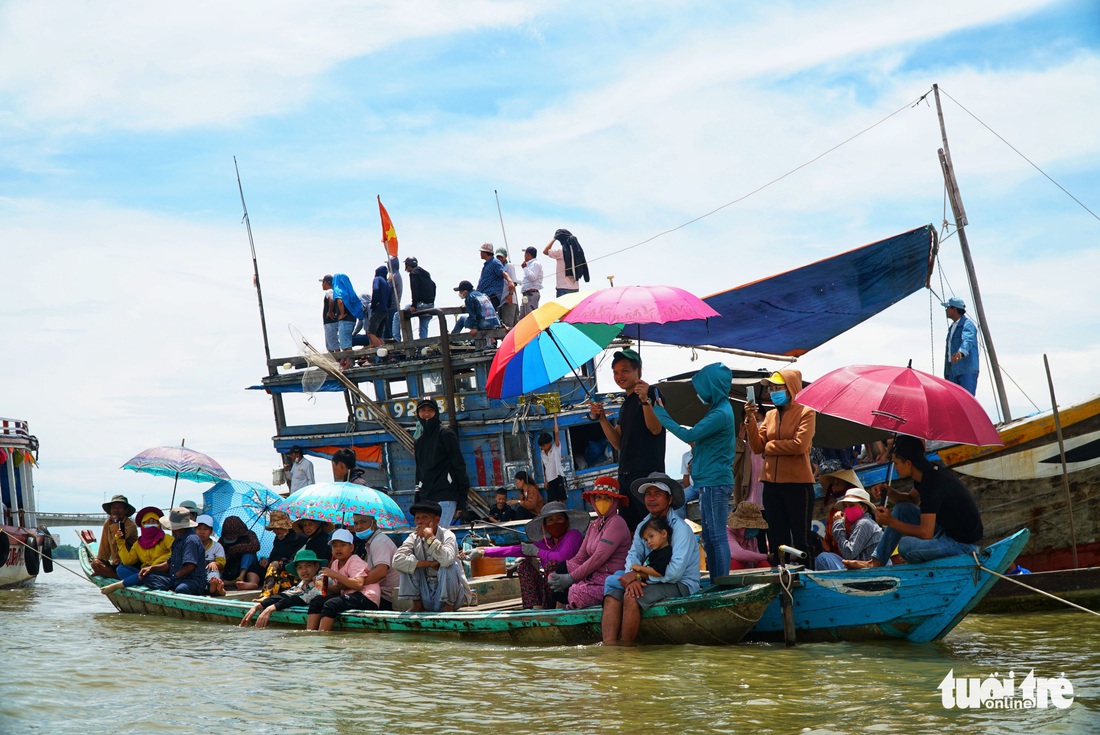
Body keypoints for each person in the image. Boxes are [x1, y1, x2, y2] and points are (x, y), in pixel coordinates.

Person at [653, 362, 736, 580]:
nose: (699, 392)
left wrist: (660, 413)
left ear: (712, 386)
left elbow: (688, 435)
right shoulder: (718, 410)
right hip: (709, 481)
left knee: (716, 536)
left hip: (714, 482)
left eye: (702, 387)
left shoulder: (720, 414)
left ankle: (722, 581)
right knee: (710, 536)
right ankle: (719, 580)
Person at [601, 473, 700, 646]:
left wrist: (638, 577)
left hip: (680, 585)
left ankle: (626, 651)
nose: (651, 498)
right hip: (650, 578)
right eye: (648, 494)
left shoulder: (681, 529)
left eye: (657, 494)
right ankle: (609, 651)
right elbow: (632, 556)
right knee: (612, 591)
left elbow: (674, 573)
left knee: (632, 596)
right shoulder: (643, 526)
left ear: (669, 500)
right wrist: (632, 577)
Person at [859, 435, 984, 568]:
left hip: (963, 545)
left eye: (896, 463)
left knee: (906, 546)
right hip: (947, 533)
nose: (895, 467)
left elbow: (926, 533)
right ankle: (877, 561)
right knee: (903, 509)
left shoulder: (933, 484)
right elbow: (911, 500)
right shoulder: (927, 473)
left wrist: (890, 522)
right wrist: (890, 492)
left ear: (908, 463)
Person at [744, 370, 817, 566]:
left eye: (778, 387)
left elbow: (799, 445)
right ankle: (780, 581)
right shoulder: (769, 416)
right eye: (772, 388)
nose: (774, 392)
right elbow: (758, 447)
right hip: (771, 486)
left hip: (798, 485)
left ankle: (808, 580)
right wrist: (750, 420)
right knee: (777, 540)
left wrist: (771, 447)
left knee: (802, 540)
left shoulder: (806, 413)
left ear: (791, 388)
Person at [590, 349, 666, 532]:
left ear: (638, 371)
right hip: (625, 475)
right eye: (615, 372)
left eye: (625, 371)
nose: (619, 376)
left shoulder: (653, 392)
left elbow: (656, 429)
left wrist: (645, 400)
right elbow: (618, 443)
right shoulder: (625, 403)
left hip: (646, 475)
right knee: (631, 530)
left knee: (652, 530)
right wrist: (601, 418)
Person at [466, 501, 587, 609]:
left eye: (559, 518)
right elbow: (514, 550)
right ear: (544, 526)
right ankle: (536, 609)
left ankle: (557, 609)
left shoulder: (573, 535)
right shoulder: (545, 543)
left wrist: (537, 552)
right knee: (524, 566)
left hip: (568, 591)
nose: (555, 522)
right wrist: (482, 552)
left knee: (553, 564)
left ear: (566, 522)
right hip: (548, 593)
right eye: (550, 520)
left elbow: (561, 557)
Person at [547, 476, 632, 609]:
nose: (601, 502)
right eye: (598, 497)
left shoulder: (616, 522)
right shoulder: (594, 525)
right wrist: (562, 574)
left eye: (607, 498)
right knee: (559, 570)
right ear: (593, 500)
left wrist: (571, 578)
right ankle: (556, 612)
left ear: (615, 501)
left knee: (577, 592)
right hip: (594, 574)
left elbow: (598, 557)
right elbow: (580, 557)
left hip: (609, 578)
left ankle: (562, 613)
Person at [392, 501, 469, 612]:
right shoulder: (413, 537)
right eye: (417, 518)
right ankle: (417, 605)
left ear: (436, 520)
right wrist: (429, 564)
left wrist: (430, 538)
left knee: (449, 566)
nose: (420, 522)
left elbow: (447, 560)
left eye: (424, 518)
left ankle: (448, 609)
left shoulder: (447, 535)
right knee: (407, 563)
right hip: (426, 594)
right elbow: (397, 561)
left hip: (451, 597)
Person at [306, 529, 379, 631]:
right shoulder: (335, 564)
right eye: (335, 546)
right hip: (350, 595)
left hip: (367, 597)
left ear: (351, 547)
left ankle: (321, 638)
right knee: (316, 601)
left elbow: (358, 584)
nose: (338, 548)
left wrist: (335, 575)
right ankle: (309, 635)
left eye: (343, 545)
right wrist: (323, 586)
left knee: (331, 604)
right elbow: (339, 589)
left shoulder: (355, 561)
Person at [413, 398, 470, 529]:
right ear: (418, 413)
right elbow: (419, 472)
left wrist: (462, 501)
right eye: (423, 410)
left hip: (446, 496)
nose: (426, 414)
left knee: (436, 536)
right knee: (427, 539)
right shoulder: (419, 441)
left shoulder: (446, 434)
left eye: (430, 410)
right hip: (426, 498)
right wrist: (417, 499)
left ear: (436, 413)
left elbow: (459, 467)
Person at [240, 548, 325, 629]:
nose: (304, 570)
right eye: (300, 567)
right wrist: (260, 605)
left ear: (316, 566)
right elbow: (287, 594)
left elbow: (304, 598)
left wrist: (272, 608)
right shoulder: (303, 583)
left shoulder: (322, 580)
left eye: (308, 566)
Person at [99, 506, 173, 594]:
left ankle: (119, 585)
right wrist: (120, 542)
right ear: (142, 525)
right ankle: (141, 581)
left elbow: (174, 554)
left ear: (159, 524)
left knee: (148, 575)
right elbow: (128, 561)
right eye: (147, 522)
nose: (151, 524)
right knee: (121, 569)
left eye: (154, 522)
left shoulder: (167, 539)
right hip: (143, 573)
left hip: (161, 573)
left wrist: (155, 564)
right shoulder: (138, 543)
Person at [138, 507, 209, 596]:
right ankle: (171, 588)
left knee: (181, 589)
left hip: (193, 581)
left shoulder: (191, 540)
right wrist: (151, 568)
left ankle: (172, 589)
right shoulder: (177, 539)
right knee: (148, 576)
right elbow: (169, 563)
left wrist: (174, 576)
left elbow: (190, 566)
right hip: (176, 579)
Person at [815, 487, 882, 571]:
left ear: (864, 508)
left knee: (823, 558)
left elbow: (849, 553)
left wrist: (838, 525)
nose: (847, 510)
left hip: (867, 570)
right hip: (862, 568)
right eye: (845, 506)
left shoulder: (864, 523)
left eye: (851, 505)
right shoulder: (860, 523)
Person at [350, 513, 401, 610]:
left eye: (363, 522)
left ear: (374, 523)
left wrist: (353, 584)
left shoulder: (379, 542)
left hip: (386, 598)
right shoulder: (373, 542)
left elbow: (380, 572)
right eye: (356, 523)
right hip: (379, 594)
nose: (359, 527)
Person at [256, 510, 306, 599]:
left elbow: (300, 559)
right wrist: (265, 561)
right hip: (281, 575)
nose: (275, 531)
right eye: (273, 529)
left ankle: (266, 594)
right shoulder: (277, 539)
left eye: (278, 528)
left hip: (297, 576)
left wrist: (284, 562)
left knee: (274, 565)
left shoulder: (299, 537)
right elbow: (274, 556)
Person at [92, 494, 138, 579]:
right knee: (95, 564)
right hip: (116, 564)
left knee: (121, 570)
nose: (116, 510)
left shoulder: (130, 525)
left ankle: (119, 576)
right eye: (114, 507)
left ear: (126, 510)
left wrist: (115, 522)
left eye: (120, 507)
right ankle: (116, 575)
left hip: (128, 564)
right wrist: (100, 563)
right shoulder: (108, 523)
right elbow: (104, 545)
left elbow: (116, 540)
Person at [942, 296, 980, 395]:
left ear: (954, 308)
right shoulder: (952, 327)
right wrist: (947, 372)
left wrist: (960, 353)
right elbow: (948, 352)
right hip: (953, 371)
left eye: (948, 307)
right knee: (953, 402)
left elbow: (968, 340)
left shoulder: (967, 324)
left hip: (966, 370)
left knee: (966, 401)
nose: (946, 310)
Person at [542, 229, 589, 297]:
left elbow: (545, 251)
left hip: (563, 288)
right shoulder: (578, 253)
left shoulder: (561, 252)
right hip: (575, 288)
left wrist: (554, 238)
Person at [219, 516, 261, 590]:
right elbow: (218, 551)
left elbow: (256, 546)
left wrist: (237, 548)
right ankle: (230, 582)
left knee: (248, 553)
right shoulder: (222, 540)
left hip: (247, 565)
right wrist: (229, 553)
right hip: (231, 566)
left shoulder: (249, 535)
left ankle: (241, 576)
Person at [726, 501, 770, 571]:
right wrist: (766, 556)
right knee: (735, 563)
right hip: (732, 568)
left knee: (763, 564)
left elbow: (755, 559)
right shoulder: (727, 534)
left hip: (749, 568)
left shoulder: (752, 539)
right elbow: (740, 554)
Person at [330, 273, 363, 358]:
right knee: (348, 342)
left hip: (344, 320)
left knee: (345, 344)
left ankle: (348, 363)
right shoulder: (350, 291)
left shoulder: (338, 289)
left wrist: (342, 314)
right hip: (352, 319)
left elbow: (340, 301)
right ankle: (347, 362)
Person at [193, 514, 227, 596]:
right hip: (196, 573)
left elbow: (222, 563)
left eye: (205, 529)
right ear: (195, 530)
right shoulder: (192, 545)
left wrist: (215, 563)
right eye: (199, 529)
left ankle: (214, 584)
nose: (202, 532)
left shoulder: (217, 546)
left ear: (211, 531)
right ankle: (217, 590)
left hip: (212, 573)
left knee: (213, 572)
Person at [404, 257, 436, 340]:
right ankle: (423, 349)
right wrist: (431, 301)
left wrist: (414, 305)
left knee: (398, 315)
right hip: (430, 304)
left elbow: (415, 290)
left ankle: (397, 340)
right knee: (423, 328)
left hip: (421, 304)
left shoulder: (413, 273)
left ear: (408, 265)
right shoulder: (425, 274)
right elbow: (434, 285)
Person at [631, 516, 674, 580]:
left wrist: (640, 568)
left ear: (664, 534)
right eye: (646, 540)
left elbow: (658, 572)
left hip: (644, 581)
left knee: (612, 580)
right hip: (638, 578)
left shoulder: (665, 553)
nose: (649, 541)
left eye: (651, 536)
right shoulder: (656, 552)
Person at [538, 414, 567, 503]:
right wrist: (546, 480)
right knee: (552, 502)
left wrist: (555, 418)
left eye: (544, 445)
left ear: (549, 443)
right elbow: (545, 467)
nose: (543, 447)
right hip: (550, 479)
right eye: (542, 446)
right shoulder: (542, 453)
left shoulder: (556, 448)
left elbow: (557, 433)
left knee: (562, 499)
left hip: (558, 476)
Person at [367, 265, 395, 343]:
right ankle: (384, 352)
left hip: (378, 309)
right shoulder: (387, 284)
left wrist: (373, 305)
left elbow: (376, 290)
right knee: (378, 335)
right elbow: (390, 299)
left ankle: (380, 352)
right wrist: (386, 306)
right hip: (385, 311)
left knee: (370, 333)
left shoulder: (377, 279)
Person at [476, 242, 507, 310]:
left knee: (488, 317)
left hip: (492, 297)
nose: (480, 253)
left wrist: (510, 282)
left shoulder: (495, 262)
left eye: (482, 251)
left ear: (486, 252)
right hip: (485, 297)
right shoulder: (487, 264)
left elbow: (503, 272)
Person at [495, 247, 519, 328]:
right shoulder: (497, 267)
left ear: (505, 257)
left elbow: (513, 282)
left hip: (509, 299)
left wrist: (510, 295)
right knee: (502, 326)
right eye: (497, 257)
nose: (499, 259)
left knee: (508, 326)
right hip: (500, 301)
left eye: (501, 257)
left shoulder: (509, 266)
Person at [519, 246, 543, 318]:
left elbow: (532, 278)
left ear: (528, 255)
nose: (524, 256)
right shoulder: (530, 264)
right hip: (527, 295)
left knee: (530, 318)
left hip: (531, 294)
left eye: (525, 254)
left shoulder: (535, 264)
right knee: (522, 318)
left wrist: (525, 268)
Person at [320, 274, 339, 352]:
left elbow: (331, 299)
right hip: (330, 323)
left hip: (330, 323)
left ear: (325, 283)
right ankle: (336, 361)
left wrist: (330, 311)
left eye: (323, 282)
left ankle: (339, 362)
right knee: (331, 345)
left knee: (333, 344)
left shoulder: (329, 291)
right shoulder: (333, 291)